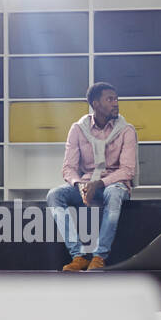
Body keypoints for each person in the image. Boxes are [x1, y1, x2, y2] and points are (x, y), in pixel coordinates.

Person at [47, 82, 137, 271]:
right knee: (54, 195)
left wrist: (100, 183)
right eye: (110, 99)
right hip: (86, 184)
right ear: (95, 104)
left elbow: (128, 170)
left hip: (115, 184)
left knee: (113, 194)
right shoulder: (78, 129)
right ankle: (78, 256)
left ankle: (98, 257)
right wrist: (80, 184)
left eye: (116, 99)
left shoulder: (126, 130)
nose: (115, 103)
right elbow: (68, 168)